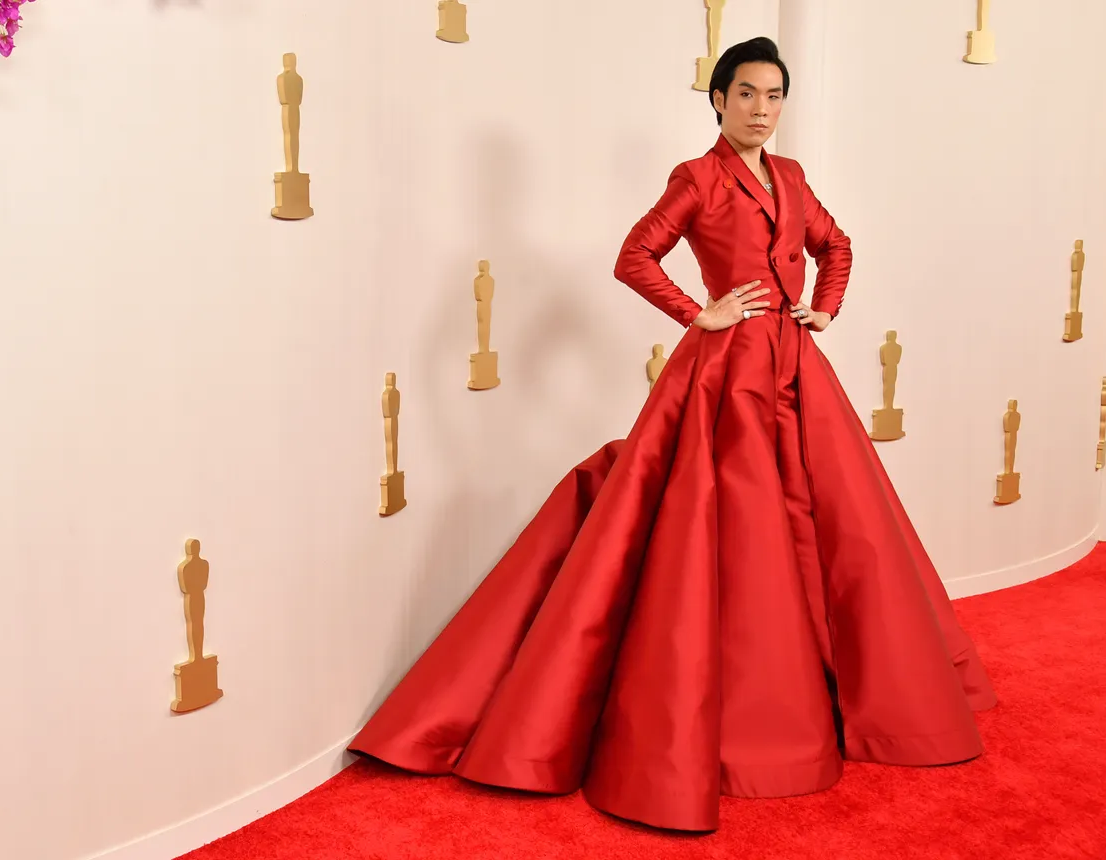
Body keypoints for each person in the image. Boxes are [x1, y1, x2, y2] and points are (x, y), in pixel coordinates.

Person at [346, 37, 996, 833]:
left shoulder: (789, 177)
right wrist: (701, 313)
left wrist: (824, 304)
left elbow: (837, 244)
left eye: (774, 96)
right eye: (747, 95)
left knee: (841, 525)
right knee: (736, 525)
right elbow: (635, 255)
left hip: (795, 367)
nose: (762, 109)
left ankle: (849, 692)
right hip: (727, 375)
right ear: (717, 100)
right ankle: (741, 709)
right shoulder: (697, 177)